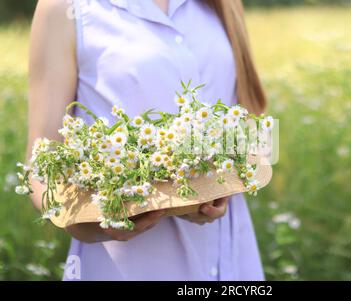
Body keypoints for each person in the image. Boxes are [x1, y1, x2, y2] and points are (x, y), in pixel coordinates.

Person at [28, 0, 267, 280]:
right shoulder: (66, 8)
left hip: (231, 259)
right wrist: (90, 225)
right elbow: (41, 166)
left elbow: (250, 126)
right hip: (127, 264)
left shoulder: (221, 5)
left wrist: (226, 180)